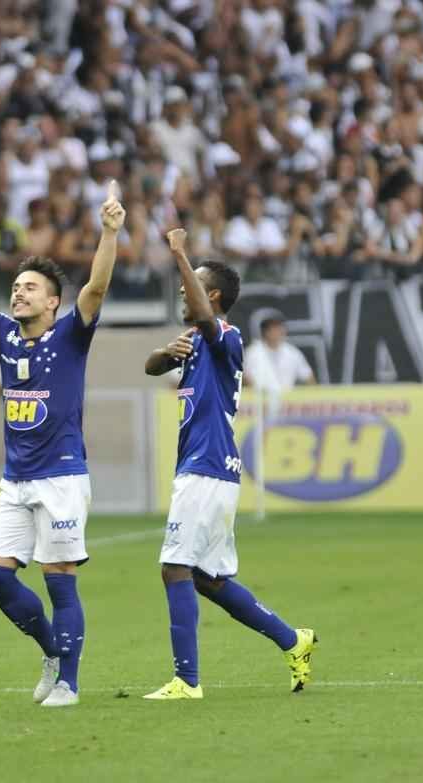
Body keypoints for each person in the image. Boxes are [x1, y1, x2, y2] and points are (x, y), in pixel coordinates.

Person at [0, 178, 125, 708]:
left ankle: (70, 684)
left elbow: (98, 288)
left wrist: (109, 233)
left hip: (61, 478)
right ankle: (51, 651)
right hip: (14, 482)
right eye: (16, 286)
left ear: (54, 302)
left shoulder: (70, 334)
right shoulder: (4, 334)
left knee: (60, 581)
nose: (18, 292)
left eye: (31, 288)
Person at [140, 229, 316, 700]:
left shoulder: (226, 337)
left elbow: (202, 315)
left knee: (175, 569)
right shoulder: (196, 340)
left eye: (191, 282)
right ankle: (291, 639)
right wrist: (165, 352)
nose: (182, 287)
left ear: (211, 295)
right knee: (209, 579)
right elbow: (151, 368)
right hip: (212, 469)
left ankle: (187, 681)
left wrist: (178, 253)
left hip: (207, 466)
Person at [245, 314, 316, 416]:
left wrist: (312, 399)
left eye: (280, 327)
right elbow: (246, 377)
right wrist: (260, 398)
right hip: (261, 406)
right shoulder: (253, 352)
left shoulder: (292, 352)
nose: (278, 331)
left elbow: (309, 377)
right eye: (274, 328)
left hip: (288, 406)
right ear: (265, 331)